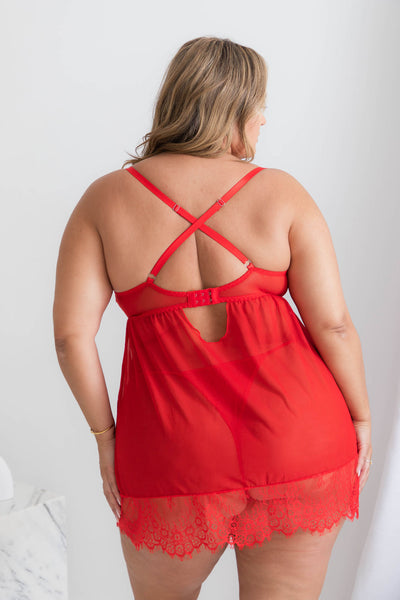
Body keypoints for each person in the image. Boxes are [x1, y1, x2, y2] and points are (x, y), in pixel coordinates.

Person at [53, 36, 372, 600]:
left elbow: (70, 338)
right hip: (297, 439)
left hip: (170, 451)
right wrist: (362, 416)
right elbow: (335, 326)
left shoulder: (105, 200)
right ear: (236, 109)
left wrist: (106, 439)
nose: (264, 118)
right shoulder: (282, 193)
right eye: (260, 105)